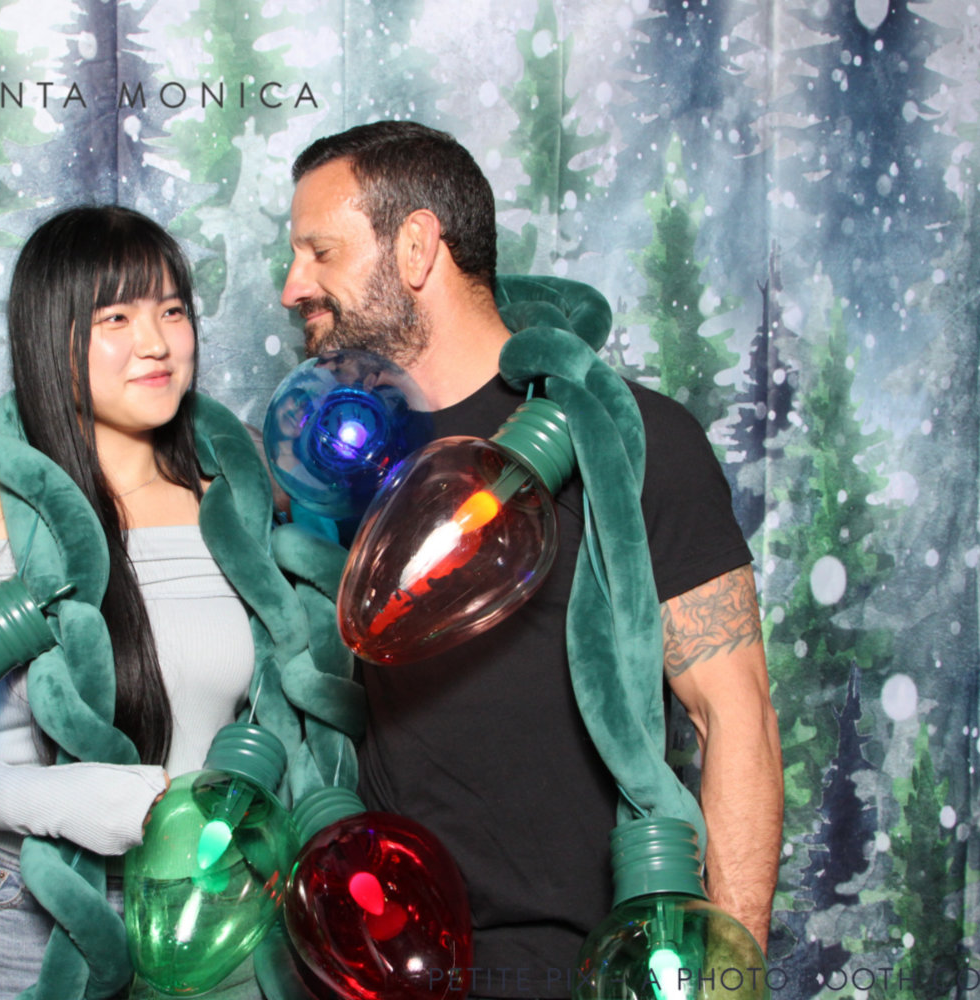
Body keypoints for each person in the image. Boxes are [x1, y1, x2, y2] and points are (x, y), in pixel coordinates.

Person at [279, 121, 782, 998]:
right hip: (387, 963)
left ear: (416, 247)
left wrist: (725, 980)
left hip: (585, 967)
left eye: (320, 252)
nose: (293, 287)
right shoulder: (335, 464)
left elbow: (735, 719)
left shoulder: (634, 441)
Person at [0, 205, 268, 999]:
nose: (156, 342)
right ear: (51, 337)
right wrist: (53, 800)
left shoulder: (233, 508)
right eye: (116, 317)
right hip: (24, 915)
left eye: (172, 310)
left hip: (207, 904)